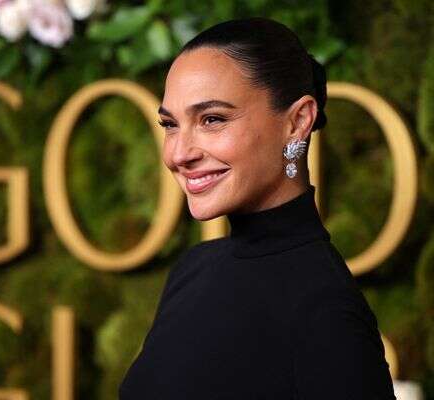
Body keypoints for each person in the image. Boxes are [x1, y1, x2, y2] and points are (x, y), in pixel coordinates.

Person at [118, 17, 397, 399]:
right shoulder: (193, 268)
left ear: (298, 121)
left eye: (212, 119)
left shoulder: (325, 310)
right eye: (170, 124)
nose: (178, 154)